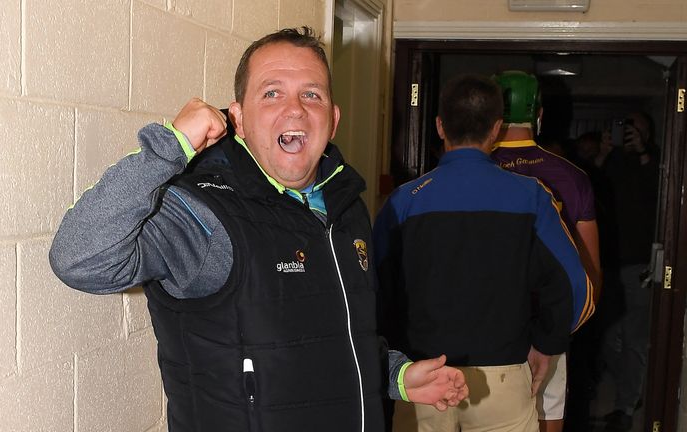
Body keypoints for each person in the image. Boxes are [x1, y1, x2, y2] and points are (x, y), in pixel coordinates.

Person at [49, 27, 468, 432]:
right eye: (272, 93)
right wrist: (172, 147)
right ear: (240, 119)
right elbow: (80, 260)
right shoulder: (202, 212)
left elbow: (335, 331)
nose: (296, 109)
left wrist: (394, 375)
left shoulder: (346, 208)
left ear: (333, 119)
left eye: (312, 94)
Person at [373, 74, 594, 432]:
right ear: (496, 129)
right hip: (503, 377)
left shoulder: (403, 202)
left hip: (423, 378)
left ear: (440, 127)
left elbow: (372, 292)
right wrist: (546, 344)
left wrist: (393, 363)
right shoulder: (531, 197)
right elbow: (574, 288)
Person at [490, 70, 601, 432]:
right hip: (547, 326)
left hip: (485, 327)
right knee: (546, 418)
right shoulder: (572, 176)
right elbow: (589, 272)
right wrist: (560, 333)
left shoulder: (474, 170)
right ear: (538, 114)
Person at [596, 112, 659, 432]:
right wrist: (604, 153)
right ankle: (629, 393)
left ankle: (624, 405)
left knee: (634, 339)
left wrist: (645, 152)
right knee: (606, 338)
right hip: (607, 262)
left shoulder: (655, 162)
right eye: (626, 129)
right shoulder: (612, 163)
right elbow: (588, 189)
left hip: (639, 265)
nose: (630, 134)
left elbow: (661, 195)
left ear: (647, 133)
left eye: (637, 129)